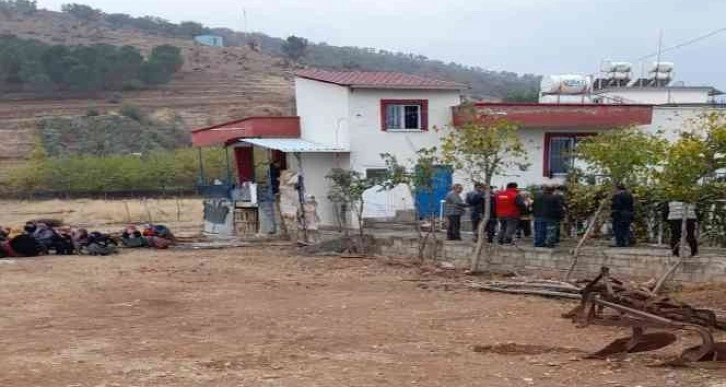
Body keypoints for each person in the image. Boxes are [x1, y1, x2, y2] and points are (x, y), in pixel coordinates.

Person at [611, 183, 634, 247]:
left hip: (619, 214)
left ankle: (620, 243)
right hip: (628, 213)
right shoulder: (629, 195)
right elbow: (632, 205)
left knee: (618, 228)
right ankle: (625, 242)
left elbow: (616, 205)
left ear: (617, 188)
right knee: (625, 228)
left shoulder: (617, 195)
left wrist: (613, 212)